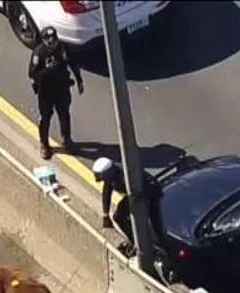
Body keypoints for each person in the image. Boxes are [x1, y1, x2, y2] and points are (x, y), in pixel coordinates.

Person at [27, 26, 83, 160]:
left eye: (54, 39)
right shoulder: (38, 53)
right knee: (45, 118)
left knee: (64, 114)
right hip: (46, 92)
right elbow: (32, 74)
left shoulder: (62, 48)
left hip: (62, 88)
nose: (52, 42)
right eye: (49, 40)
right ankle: (44, 144)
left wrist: (79, 80)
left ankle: (67, 140)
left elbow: (72, 63)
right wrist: (47, 70)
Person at [92, 157, 162, 256]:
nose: (101, 180)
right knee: (118, 217)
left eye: (101, 176)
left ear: (108, 173)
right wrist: (105, 215)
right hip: (133, 196)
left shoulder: (126, 176)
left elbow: (148, 186)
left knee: (154, 220)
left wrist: (141, 199)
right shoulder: (110, 179)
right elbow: (106, 194)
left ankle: (161, 245)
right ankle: (135, 241)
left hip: (148, 191)